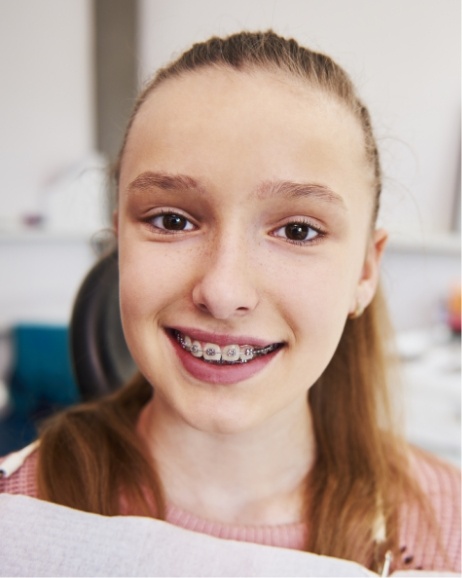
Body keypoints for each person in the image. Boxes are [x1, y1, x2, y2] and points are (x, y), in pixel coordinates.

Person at [1, 30, 460, 574]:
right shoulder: (17, 511)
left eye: (297, 231)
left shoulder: (446, 525)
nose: (222, 292)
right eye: (172, 221)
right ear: (119, 243)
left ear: (365, 270)